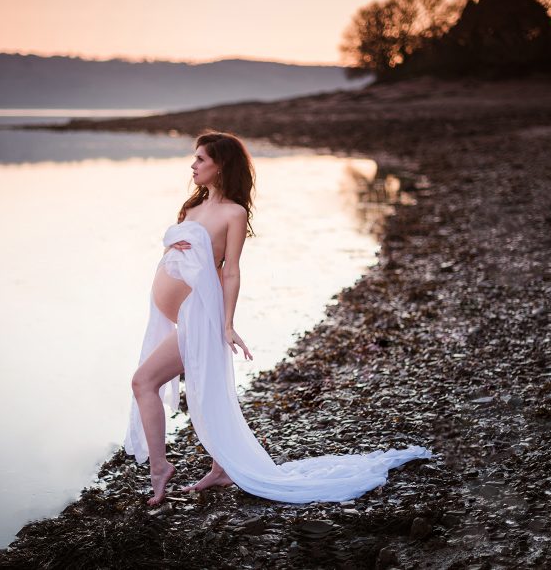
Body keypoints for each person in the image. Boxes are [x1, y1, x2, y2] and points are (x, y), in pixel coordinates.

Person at [124, 130, 431, 507]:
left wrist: (227, 324)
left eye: (201, 159)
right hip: (179, 316)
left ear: (221, 166)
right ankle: (220, 468)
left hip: (200, 316)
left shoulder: (233, 213)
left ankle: (160, 468)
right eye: (195, 158)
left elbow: (231, 270)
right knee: (205, 392)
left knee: (145, 382)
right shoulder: (191, 208)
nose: (194, 165)